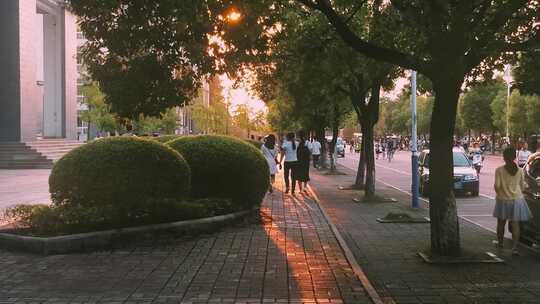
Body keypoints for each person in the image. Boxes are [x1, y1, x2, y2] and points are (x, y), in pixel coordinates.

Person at [492, 147, 532, 255]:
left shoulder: (499, 170)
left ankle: (500, 243)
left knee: (501, 223)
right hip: (517, 200)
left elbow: (497, 186)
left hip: (503, 200)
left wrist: (500, 191)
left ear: (504, 157)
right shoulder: (519, 170)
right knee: (515, 224)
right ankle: (514, 248)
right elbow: (522, 186)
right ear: (514, 157)